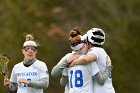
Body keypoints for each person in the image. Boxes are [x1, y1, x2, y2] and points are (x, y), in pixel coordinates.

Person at [51, 28, 112, 93]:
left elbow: (61, 81)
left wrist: (66, 65)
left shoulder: (68, 58)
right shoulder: (89, 61)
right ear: (84, 44)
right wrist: (109, 66)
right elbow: (101, 81)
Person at [68, 28, 115, 93]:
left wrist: (72, 63)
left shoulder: (95, 50)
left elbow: (86, 59)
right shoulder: (102, 51)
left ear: (88, 40)